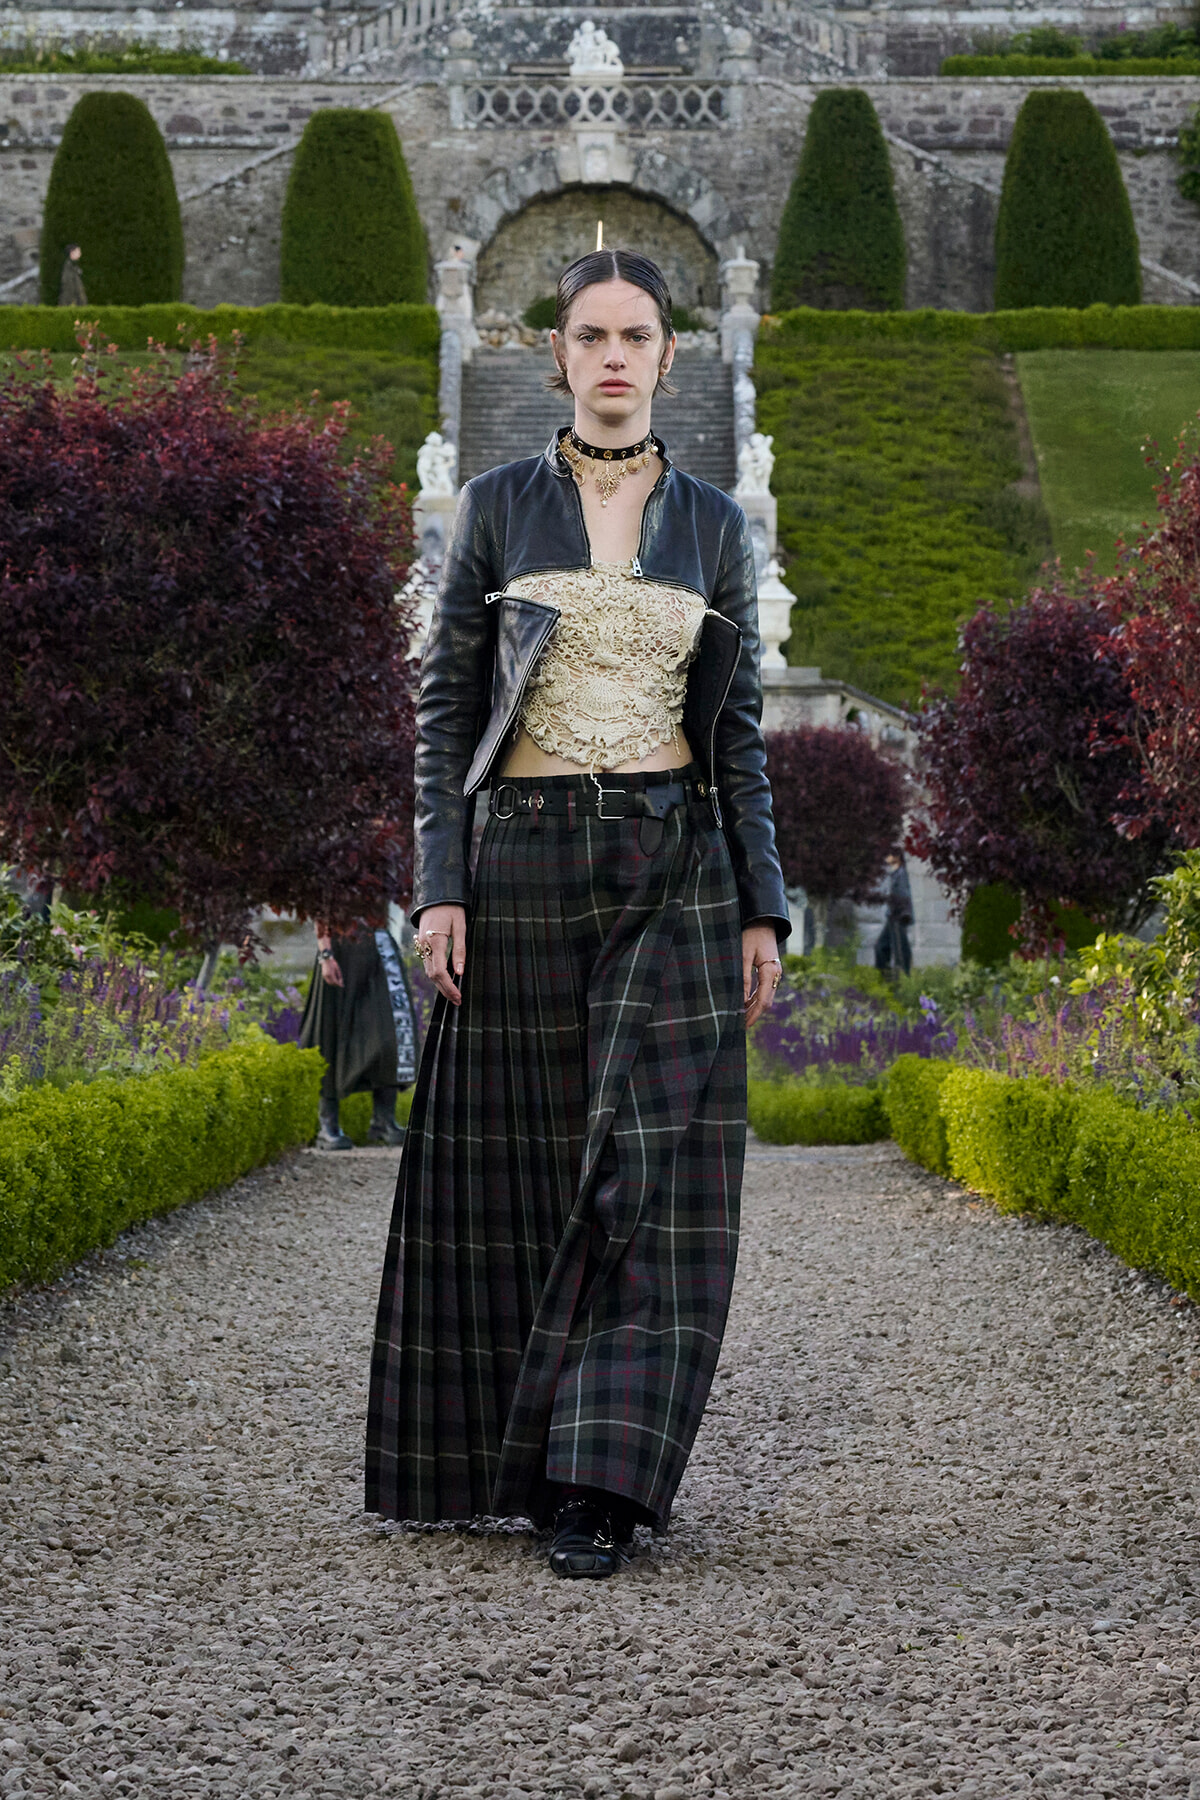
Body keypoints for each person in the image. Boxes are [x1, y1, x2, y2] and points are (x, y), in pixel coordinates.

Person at [366, 247, 790, 1579]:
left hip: (676, 861)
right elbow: (445, 714)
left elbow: (739, 739)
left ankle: (604, 1484)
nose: (614, 355)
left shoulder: (717, 524)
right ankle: (531, 1462)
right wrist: (441, 884)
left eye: (638, 335)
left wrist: (763, 910)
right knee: (539, 1166)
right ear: (557, 355)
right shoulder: (496, 505)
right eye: (591, 334)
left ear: (672, 357)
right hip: (527, 863)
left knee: (654, 1180)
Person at [298, 919, 417, 1149]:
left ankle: (384, 1120)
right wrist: (325, 953)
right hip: (339, 946)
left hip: (379, 942)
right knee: (330, 1031)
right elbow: (321, 904)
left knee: (392, 1032)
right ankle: (328, 1124)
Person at [874, 850, 914, 976]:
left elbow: (904, 894)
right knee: (881, 946)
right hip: (892, 915)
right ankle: (883, 975)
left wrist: (903, 913)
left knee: (900, 949)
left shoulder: (901, 874)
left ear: (897, 857)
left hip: (898, 916)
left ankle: (903, 978)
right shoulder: (895, 873)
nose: (886, 857)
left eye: (889, 854)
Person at [57, 244, 87, 308]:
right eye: (78, 252)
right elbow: (69, 287)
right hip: (72, 304)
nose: (80, 254)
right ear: (72, 253)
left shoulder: (73, 267)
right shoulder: (69, 268)